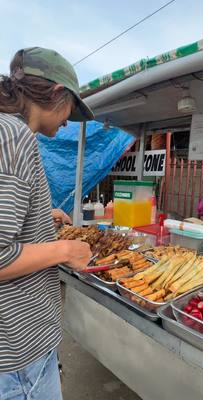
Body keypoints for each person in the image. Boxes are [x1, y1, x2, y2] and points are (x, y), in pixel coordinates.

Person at [0, 47, 94, 399]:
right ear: (56, 93)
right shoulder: (14, 136)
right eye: (71, 107)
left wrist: (39, 215)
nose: (69, 121)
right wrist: (64, 249)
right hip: (18, 348)